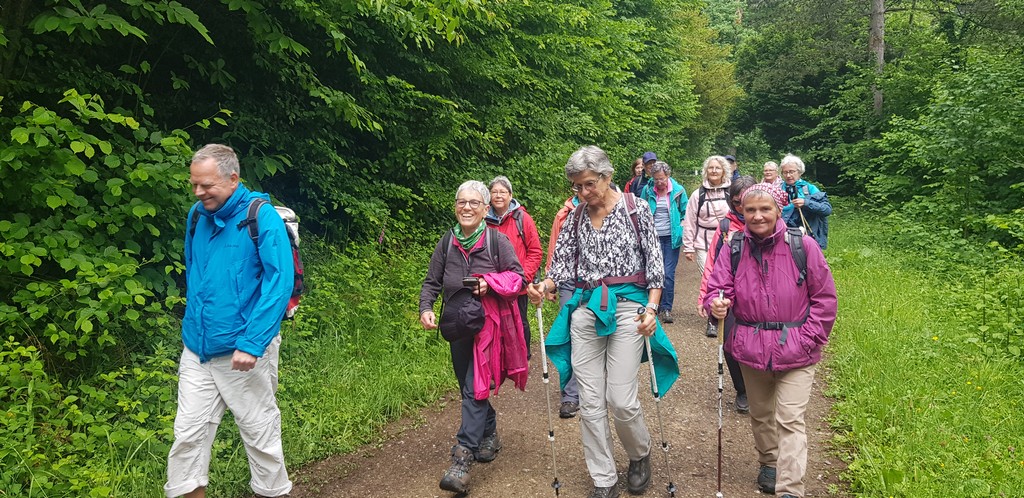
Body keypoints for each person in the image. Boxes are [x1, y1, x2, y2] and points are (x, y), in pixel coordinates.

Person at [528, 145, 679, 498]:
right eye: (577, 186)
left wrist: (652, 309)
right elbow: (560, 267)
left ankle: (639, 453)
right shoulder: (575, 216)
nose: (583, 192)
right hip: (586, 310)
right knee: (591, 400)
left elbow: (655, 268)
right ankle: (603, 478)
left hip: (629, 309)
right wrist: (544, 287)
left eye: (589, 184)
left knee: (621, 399)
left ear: (607, 176)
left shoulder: (636, 209)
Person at [165, 144, 295, 498]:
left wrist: (252, 343)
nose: (198, 192)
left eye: (206, 185)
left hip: (244, 349)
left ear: (233, 178)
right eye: (194, 184)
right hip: (198, 349)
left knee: (259, 433)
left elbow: (279, 283)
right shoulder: (197, 216)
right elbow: (195, 273)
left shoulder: (260, 217)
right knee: (188, 435)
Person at [704, 182, 837, 498]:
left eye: (765, 209)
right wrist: (716, 304)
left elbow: (825, 298)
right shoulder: (734, 247)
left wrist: (809, 338)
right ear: (742, 211)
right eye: (750, 209)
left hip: (797, 347)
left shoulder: (803, 246)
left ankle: (790, 488)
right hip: (751, 346)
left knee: (790, 418)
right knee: (761, 414)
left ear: (779, 210)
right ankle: (769, 462)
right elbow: (717, 289)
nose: (758, 216)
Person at [419, 180, 527, 494]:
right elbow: (432, 281)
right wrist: (426, 307)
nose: (467, 207)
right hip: (457, 326)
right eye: (461, 202)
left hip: (488, 328)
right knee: (467, 387)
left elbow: (518, 277)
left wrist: (489, 283)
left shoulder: (496, 241)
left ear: (485, 208)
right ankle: (489, 432)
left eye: (474, 203)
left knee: (473, 387)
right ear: (456, 206)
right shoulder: (447, 242)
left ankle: (462, 459)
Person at [697, 175, 757, 413]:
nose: (742, 207)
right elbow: (711, 262)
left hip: (759, 294)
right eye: (737, 202)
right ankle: (743, 390)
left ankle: (762, 388)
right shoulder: (725, 226)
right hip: (729, 292)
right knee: (730, 344)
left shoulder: (768, 220)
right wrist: (705, 296)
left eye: (746, 200)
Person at [486, 176, 544, 350]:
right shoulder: (483, 220)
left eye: (503, 192)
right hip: (492, 284)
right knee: (495, 323)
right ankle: (500, 358)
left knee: (520, 322)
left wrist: (523, 278)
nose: (498, 196)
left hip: (518, 284)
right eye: (494, 192)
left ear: (510, 195)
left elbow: (535, 251)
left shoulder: (522, 218)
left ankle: (524, 357)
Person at [545, 193, 583, 418]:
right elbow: (554, 249)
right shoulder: (564, 214)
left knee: (594, 334)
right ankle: (571, 394)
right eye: (578, 184)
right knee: (571, 334)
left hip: (601, 284)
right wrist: (549, 282)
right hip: (569, 281)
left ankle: (596, 384)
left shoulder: (612, 207)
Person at [637, 160, 688, 324]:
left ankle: (666, 308)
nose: (659, 182)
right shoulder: (647, 190)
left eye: (662, 179)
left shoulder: (678, 191)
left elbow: (685, 212)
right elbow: (640, 211)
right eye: (656, 179)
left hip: (671, 238)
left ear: (668, 176)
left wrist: (681, 228)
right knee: (652, 271)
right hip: (652, 238)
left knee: (667, 273)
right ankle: (653, 305)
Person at [683, 155, 732, 279]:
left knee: (727, 278)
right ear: (706, 171)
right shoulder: (698, 195)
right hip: (703, 244)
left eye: (718, 168)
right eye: (711, 168)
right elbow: (689, 221)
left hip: (728, 241)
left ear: (724, 171)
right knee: (708, 279)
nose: (714, 171)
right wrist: (688, 247)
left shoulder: (731, 192)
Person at [779, 154, 832, 249]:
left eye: (791, 172)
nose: (788, 175)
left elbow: (826, 209)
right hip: (783, 234)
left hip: (807, 234)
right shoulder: (778, 189)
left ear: (799, 172)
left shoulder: (809, 188)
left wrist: (805, 203)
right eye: (785, 172)